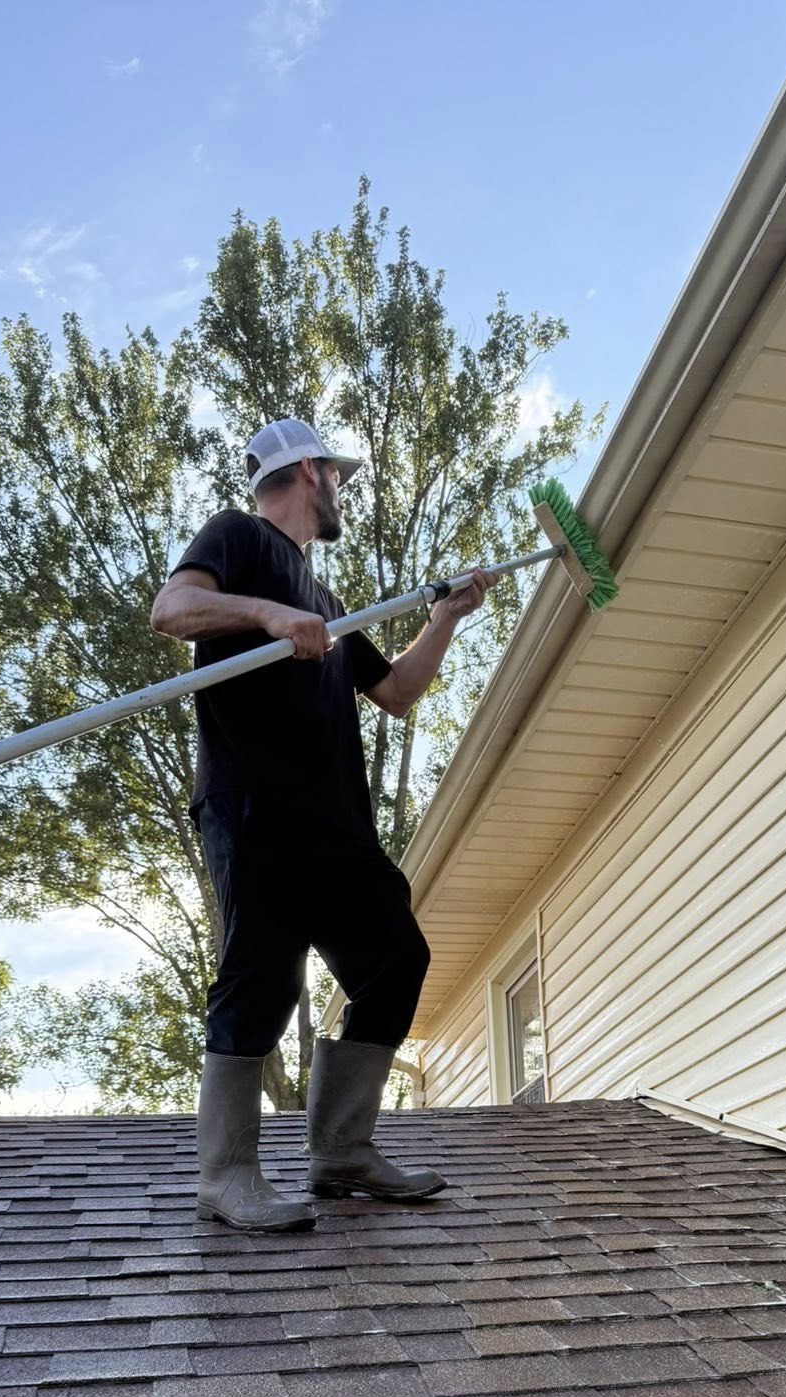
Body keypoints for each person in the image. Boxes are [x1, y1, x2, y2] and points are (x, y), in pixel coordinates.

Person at [150, 418, 496, 1231]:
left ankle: (341, 1152)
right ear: (310, 471)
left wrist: (446, 617)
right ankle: (225, 1175)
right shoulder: (240, 538)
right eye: (336, 476)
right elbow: (173, 608)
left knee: (394, 957)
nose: (341, 491)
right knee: (264, 977)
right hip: (253, 802)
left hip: (336, 821)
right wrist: (268, 617)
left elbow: (397, 692)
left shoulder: (329, 603)